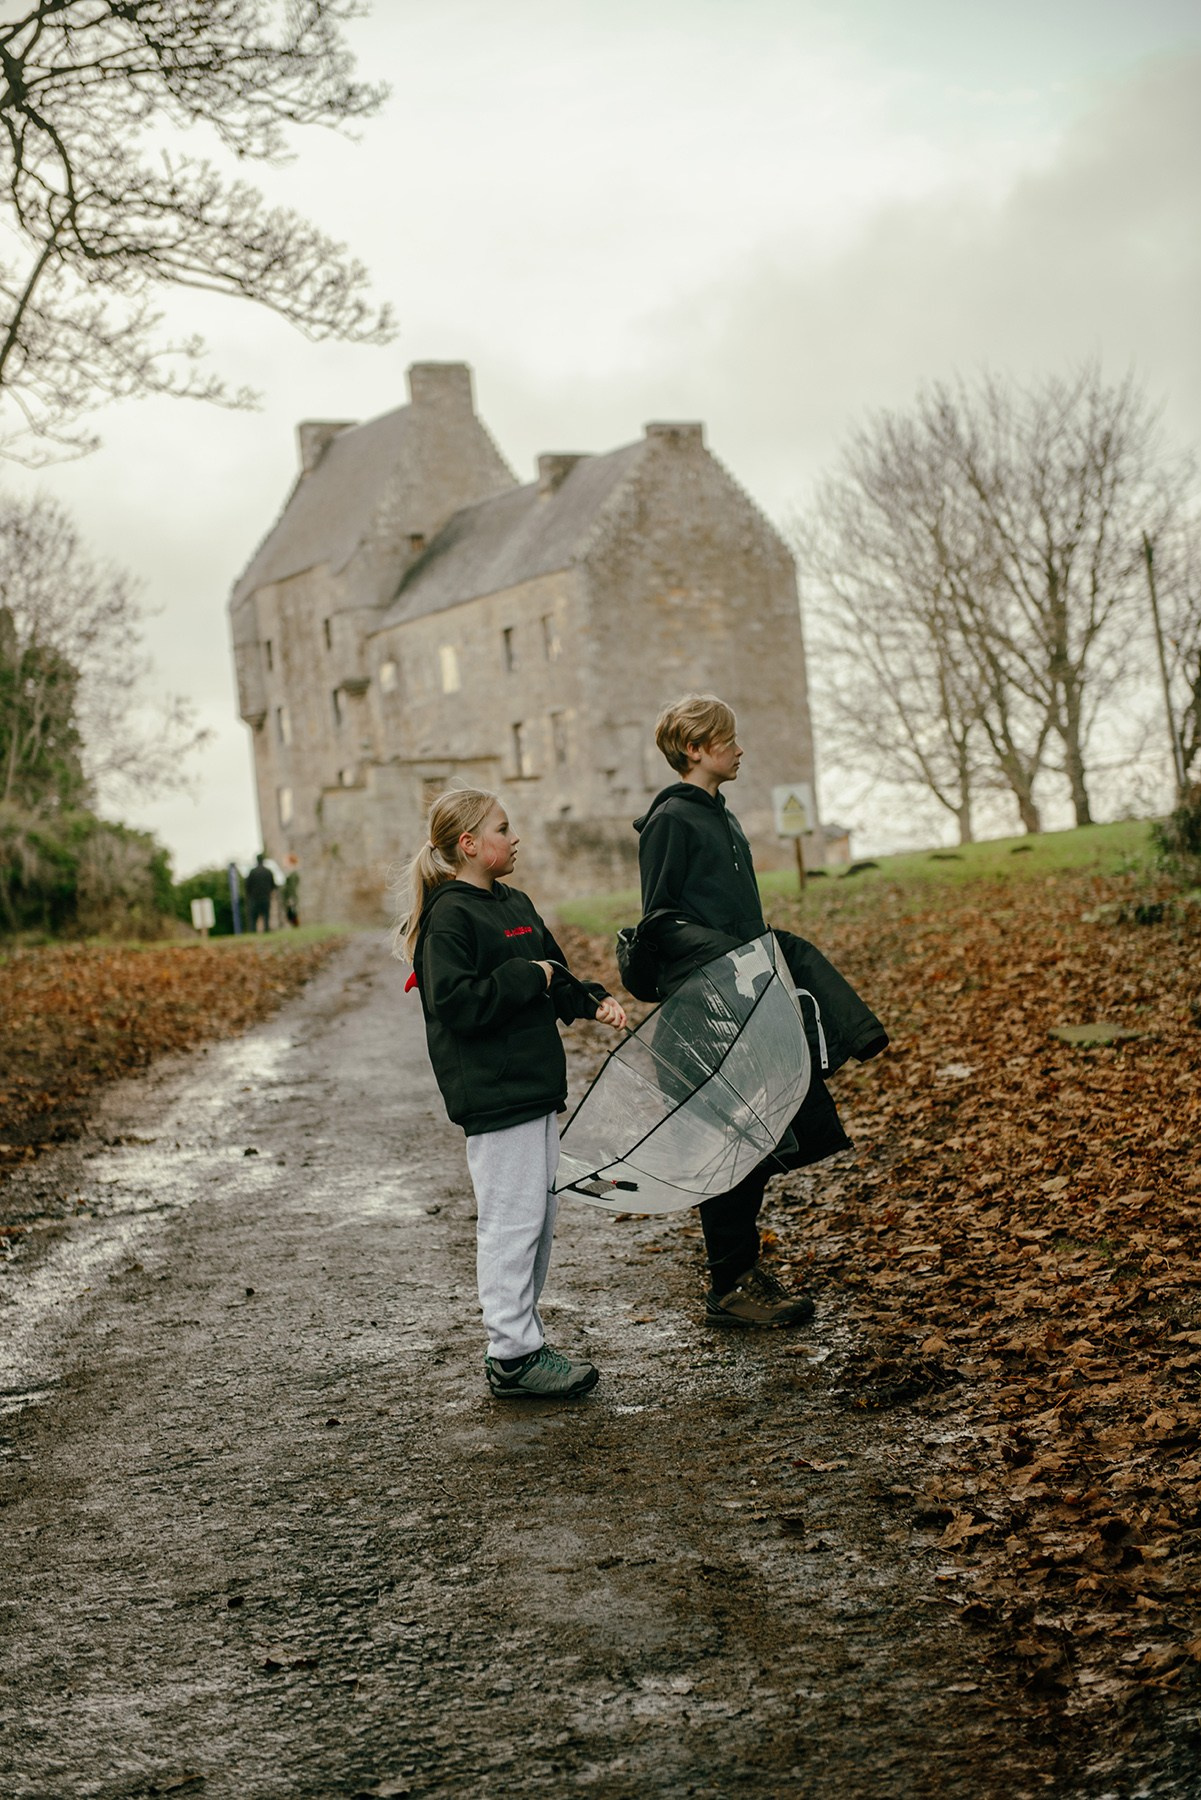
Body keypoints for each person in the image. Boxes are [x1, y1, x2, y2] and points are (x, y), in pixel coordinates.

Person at [635, 694, 888, 1328]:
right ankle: (730, 1284)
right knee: (732, 1140)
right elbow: (660, 921)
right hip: (710, 1005)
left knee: (761, 1135)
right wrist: (737, 957)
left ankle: (739, 1274)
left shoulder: (722, 816)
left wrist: (757, 958)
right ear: (697, 749)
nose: (740, 748)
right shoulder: (672, 820)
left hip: (745, 996)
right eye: (729, 739)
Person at [397, 787, 627, 1400]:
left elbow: (555, 969)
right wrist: (528, 977)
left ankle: (522, 1343)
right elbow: (458, 1005)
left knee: (538, 1219)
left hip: (534, 1088)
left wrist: (590, 999)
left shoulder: (515, 902)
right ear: (469, 844)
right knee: (511, 1223)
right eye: (503, 828)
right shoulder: (449, 916)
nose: (514, 836)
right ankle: (512, 1354)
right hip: (494, 1095)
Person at [245, 853, 276, 933]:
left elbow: (247, 885)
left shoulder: (252, 872)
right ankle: (266, 930)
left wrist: (249, 896)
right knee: (266, 916)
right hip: (265, 897)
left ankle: (253, 932)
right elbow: (273, 885)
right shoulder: (268, 871)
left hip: (254, 898)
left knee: (253, 918)